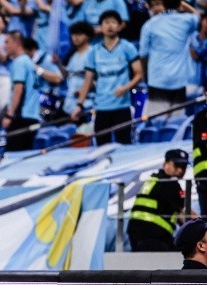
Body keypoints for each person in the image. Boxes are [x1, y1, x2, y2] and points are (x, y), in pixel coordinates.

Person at [71, 11, 143, 146]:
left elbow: (139, 74)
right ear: (101, 27)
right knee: (101, 147)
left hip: (122, 107)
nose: (110, 26)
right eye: (106, 22)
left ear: (120, 26)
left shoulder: (128, 47)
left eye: (113, 22)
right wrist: (79, 105)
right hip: (101, 107)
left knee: (125, 146)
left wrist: (125, 88)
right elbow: (87, 80)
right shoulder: (94, 51)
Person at [139, 0, 198, 117]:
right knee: (176, 122)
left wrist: (147, 78)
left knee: (157, 122)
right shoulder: (187, 20)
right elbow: (202, 20)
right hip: (179, 80)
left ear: (163, 4)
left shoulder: (150, 24)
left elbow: (143, 56)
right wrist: (183, 4)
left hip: (157, 80)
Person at [127, 149, 189, 252]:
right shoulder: (171, 184)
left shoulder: (153, 179)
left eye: (184, 166)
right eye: (177, 165)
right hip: (154, 235)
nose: (180, 170)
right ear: (165, 164)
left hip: (136, 233)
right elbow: (185, 214)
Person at [2, 31, 40, 151]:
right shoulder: (28, 61)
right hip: (32, 115)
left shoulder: (19, 62)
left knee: (13, 155)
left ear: (17, 43)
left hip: (21, 117)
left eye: (7, 42)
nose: (4, 46)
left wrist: (9, 115)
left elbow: (19, 89)